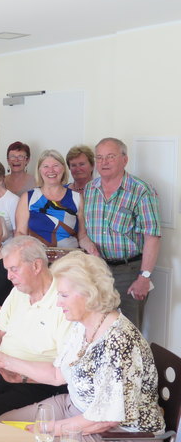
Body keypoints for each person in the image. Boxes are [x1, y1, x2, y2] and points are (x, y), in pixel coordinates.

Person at [0, 251, 164, 441]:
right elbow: (57, 374)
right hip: (77, 408)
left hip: (118, 431)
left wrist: (51, 428)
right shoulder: (82, 325)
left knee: (20, 438)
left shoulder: (118, 341)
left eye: (64, 295)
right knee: (1, 426)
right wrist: (6, 362)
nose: (58, 303)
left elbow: (106, 419)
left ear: (89, 294)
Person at [0, 236, 72, 420]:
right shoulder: (19, 292)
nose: (8, 276)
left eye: (14, 269)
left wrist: (20, 375)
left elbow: (63, 372)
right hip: (2, 371)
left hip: (37, 382)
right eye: (7, 270)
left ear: (36, 266)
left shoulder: (65, 301)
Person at [84, 137, 161, 330]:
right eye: (99, 157)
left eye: (110, 156)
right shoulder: (90, 189)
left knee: (128, 331)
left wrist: (144, 277)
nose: (104, 162)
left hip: (129, 272)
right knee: (96, 328)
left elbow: (152, 237)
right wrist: (89, 247)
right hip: (96, 272)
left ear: (124, 160)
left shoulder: (141, 191)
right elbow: (83, 232)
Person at [15, 149, 98, 254]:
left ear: (63, 169)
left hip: (69, 258)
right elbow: (20, 233)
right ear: (39, 170)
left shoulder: (76, 198)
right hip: (37, 257)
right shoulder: (28, 197)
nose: (51, 170)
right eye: (46, 166)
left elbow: (82, 236)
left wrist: (92, 250)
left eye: (55, 166)